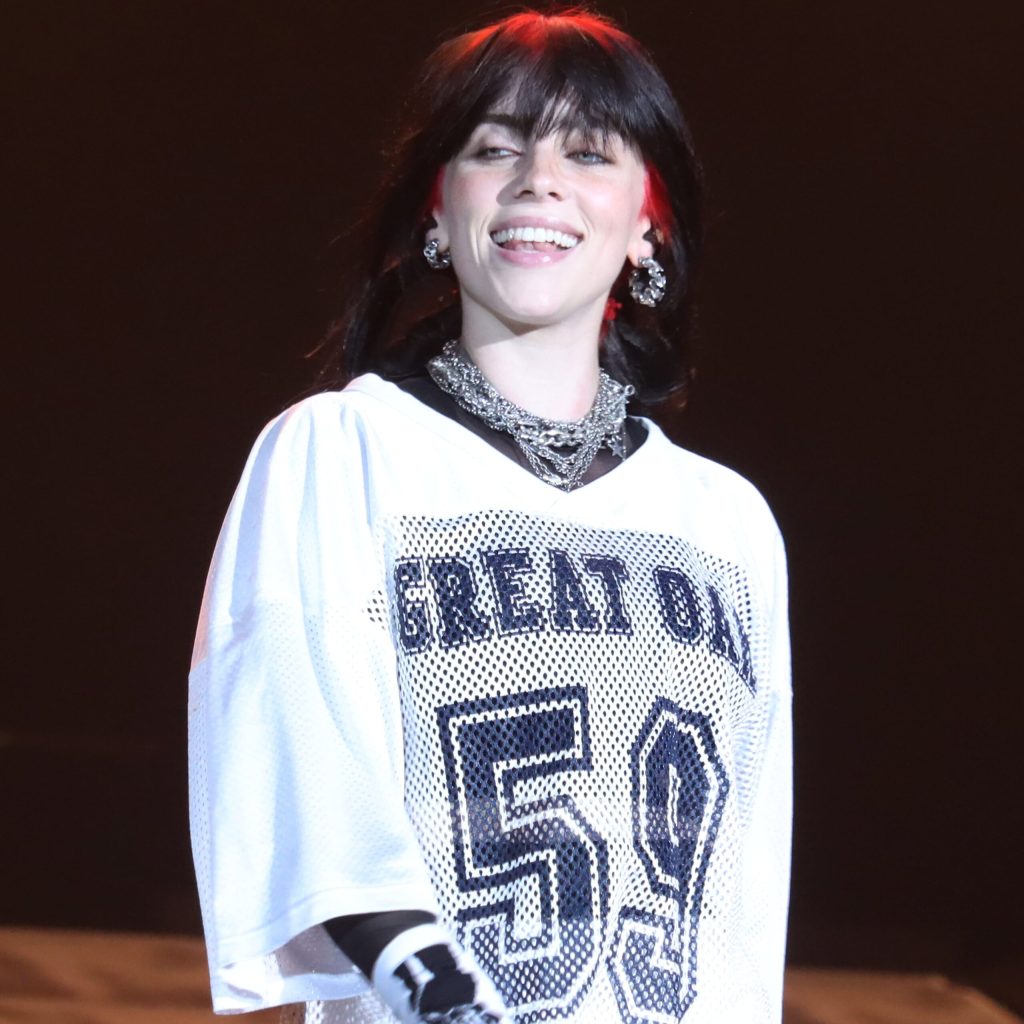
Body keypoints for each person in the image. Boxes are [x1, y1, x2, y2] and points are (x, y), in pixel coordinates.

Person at [188, 9, 792, 1024]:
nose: (536, 181)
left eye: (587, 152)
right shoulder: (341, 454)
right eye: (493, 148)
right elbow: (299, 762)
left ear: (648, 222)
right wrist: (438, 992)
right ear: (437, 208)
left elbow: (746, 885)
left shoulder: (726, 524)